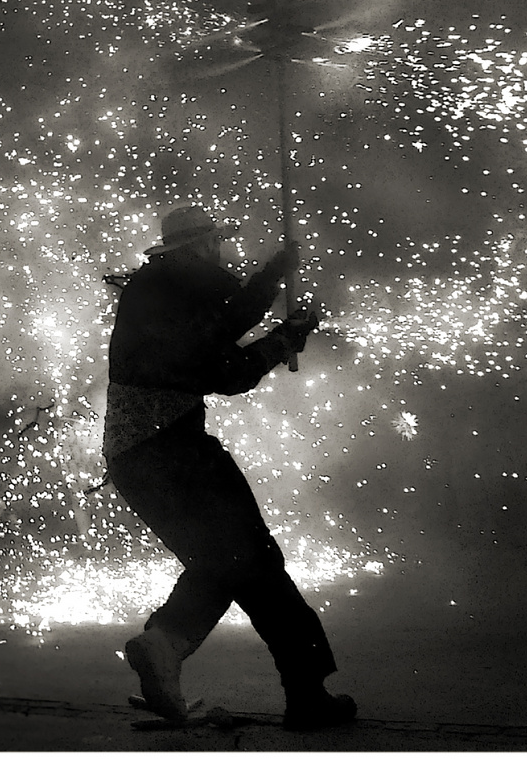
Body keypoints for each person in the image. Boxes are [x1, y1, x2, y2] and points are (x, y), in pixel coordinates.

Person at [105, 203, 354, 730]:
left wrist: (280, 314)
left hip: (145, 458)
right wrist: (278, 307)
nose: (221, 254)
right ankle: (307, 693)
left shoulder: (159, 295)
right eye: (215, 244)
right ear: (196, 248)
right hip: (172, 452)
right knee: (255, 562)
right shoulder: (169, 291)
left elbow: (223, 343)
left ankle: (163, 648)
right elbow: (227, 353)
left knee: (223, 561)